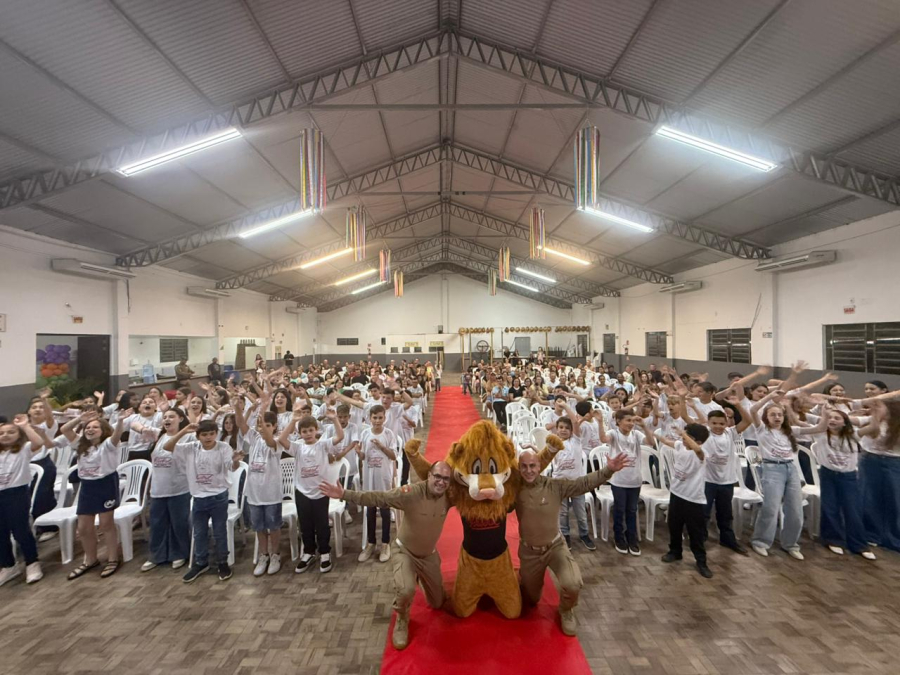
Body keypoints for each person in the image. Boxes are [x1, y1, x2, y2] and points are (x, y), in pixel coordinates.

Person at [319, 459, 454, 650]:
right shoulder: (412, 493)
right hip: (405, 552)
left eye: (446, 479)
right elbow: (379, 498)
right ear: (429, 475)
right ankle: (401, 616)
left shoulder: (449, 496)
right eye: (437, 476)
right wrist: (345, 494)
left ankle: (421, 578)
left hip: (429, 555)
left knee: (438, 603)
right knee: (406, 590)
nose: (441, 482)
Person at [515, 445, 626, 635]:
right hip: (529, 552)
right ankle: (524, 581)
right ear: (519, 468)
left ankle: (566, 610)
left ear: (539, 465)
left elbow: (582, 484)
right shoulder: (514, 491)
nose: (528, 471)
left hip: (555, 548)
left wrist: (608, 470)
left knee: (573, 584)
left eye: (532, 466)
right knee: (530, 600)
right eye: (524, 466)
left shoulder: (554, 486)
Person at [164, 420, 243, 582]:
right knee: (199, 532)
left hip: (219, 496)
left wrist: (235, 460)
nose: (208, 437)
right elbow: (167, 447)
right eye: (204, 434)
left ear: (216, 433)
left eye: (212, 434)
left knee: (220, 531)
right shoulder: (191, 448)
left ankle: (222, 562)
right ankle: (201, 562)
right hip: (198, 497)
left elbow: (232, 467)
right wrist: (184, 430)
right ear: (198, 436)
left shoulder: (223, 447)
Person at [795, 407, 876, 560]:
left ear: (845, 423)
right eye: (830, 418)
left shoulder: (853, 436)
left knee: (853, 509)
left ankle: (859, 544)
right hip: (828, 475)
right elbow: (797, 422)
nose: (832, 420)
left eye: (837, 418)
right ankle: (833, 539)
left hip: (849, 477)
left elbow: (872, 427)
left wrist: (878, 412)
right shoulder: (820, 433)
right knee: (830, 507)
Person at [63, 411, 130, 580]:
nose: (90, 429)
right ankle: (90, 559)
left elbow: (116, 435)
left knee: (106, 524)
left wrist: (120, 421)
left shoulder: (108, 444)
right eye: (88, 427)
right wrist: (80, 419)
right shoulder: (80, 444)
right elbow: (65, 429)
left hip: (105, 483)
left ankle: (113, 558)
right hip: (87, 486)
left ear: (103, 430)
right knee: (84, 527)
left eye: (95, 427)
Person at [278, 405, 344, 574]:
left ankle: (324, 552)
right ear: (300, 433)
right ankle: (308, 552)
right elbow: (282, 440)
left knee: (322, 524)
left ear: (316, 430)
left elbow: (340, 436)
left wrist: (335, 418)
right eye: (304, 431)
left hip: (321, 490)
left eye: (310, 430)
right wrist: (293, 420)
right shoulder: (298, 447)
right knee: (305, 524)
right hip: (302, 491)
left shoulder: (322, 445)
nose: (307, 434)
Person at [748, 390, 805, 559]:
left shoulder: (789, 431)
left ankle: (790, 543)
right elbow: (753, 411)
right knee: (770, 508)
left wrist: (825, 414)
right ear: (766, 417)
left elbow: (819, 428)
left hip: (790, 469)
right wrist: (770, 396)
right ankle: (760, 541)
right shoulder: (762, 429)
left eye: (780, 414)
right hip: (772, 469)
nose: (777, 417)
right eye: (773, 415)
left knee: (795, 509)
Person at [658, 425, 714, 578]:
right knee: (674, 525)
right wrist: (645, 428)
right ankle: (675, 551)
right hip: (676, 494)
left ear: (699, 441)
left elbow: (697, 449)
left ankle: (701, 561)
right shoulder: (680, 446)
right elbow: (664, 440)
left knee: (695, 531)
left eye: (686, 438)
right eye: (683, 438)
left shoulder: (702, 454)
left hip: (693, 498)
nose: (683, 440)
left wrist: (684, 433)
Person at [141, 408, 191, 572]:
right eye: (165, 417)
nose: (167, 419)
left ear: (181, 419)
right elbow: (136, 426)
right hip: (158, 488)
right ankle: (157, 555)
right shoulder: (159, 435)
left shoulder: (188, 436)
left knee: (179, 523)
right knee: (157, 524)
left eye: (172, 417)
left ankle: (179, 553)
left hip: (179, 487)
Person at [0, 415, 46, 586]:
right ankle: (8, 566)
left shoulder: (23, 449)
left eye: (11, 432)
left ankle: (32, 563)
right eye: (2, 433)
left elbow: (38, 442)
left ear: (19, 435)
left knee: (21, 531)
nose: (5, 435)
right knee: (1, 533)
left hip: (16, 494)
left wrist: (26, 426)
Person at [599, 408, 649, 555]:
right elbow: (603, 439)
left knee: (632, 510)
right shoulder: (614, 434)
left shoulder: (636, 434)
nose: (631, 423)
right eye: (628, 420)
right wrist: (600, 422)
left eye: (633, 420)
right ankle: (619, 538)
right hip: (619, 480)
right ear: (618, 422)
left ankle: (631, 538)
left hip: (634, 480)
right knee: (620, 510)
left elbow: (651, 442)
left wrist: (644, 426)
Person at [358, 405, 397, 563]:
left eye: (380, 417)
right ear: (370, 418)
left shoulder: (389, 434)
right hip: (369, 477)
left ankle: (385, 543)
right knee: (370, 511)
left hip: (383, 477)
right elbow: (363, 456)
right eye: (375, 418)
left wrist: (381, 446)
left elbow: (393, 456)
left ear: (384, 417)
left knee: (385, 511)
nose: (377, 421)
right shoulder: (365, 433)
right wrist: (358, 453)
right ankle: (371, 543)